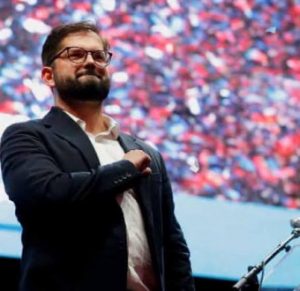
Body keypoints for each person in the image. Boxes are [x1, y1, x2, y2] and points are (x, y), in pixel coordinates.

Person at [0, 21, 195, 291]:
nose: (90, 61)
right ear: (48, 75)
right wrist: (125, 170)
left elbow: (172, 247)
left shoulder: (147, 153)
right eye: (75, 54)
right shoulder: (27, 136)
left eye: (99, 55)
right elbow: (47, 194)